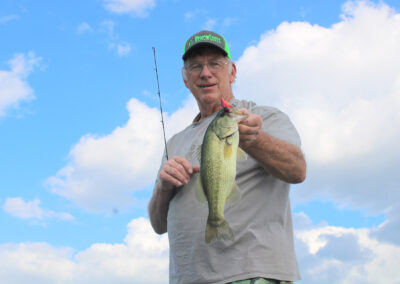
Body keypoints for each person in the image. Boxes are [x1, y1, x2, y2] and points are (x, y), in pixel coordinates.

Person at [148, 30, 306, 284]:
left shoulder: (263, 116)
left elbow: (297, 170)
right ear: (185, 78)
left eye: (215, 63)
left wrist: (255, 140)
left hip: (251, 275)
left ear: (232, 71)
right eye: (195, 66)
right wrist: (163, 188)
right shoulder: (175, 142)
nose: (205, 72)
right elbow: (158, 224)